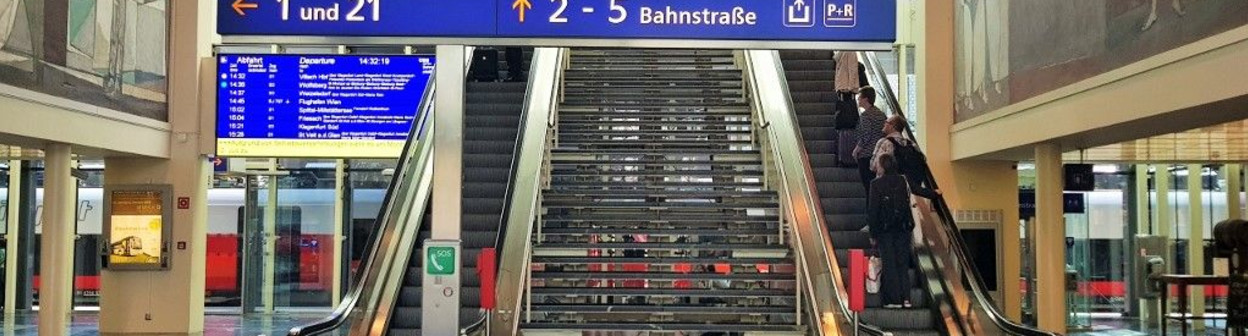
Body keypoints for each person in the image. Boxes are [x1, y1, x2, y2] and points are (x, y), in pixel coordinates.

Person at [866, 153, 914, 309]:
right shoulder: (903, 180)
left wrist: (873, 234)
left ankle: (893, 300)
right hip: (903, 228)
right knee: (902, 263)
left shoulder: (876, 184)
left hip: (885, 230)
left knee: (889, 263)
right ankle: (906, 298)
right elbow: (916, 191)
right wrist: (934, 193)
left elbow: (873, 211)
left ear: (882, 166)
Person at [870, 115, 941, 200]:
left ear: (893, 126)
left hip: (885, 188)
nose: (884, 123)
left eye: (886, 122)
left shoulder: (884, 142)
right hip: (903, 188)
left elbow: (874, 166)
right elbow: (922, 161)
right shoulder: (912, 144)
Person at [853, 86, 887, 193]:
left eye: (860, 97)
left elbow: (866, 136)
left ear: (865, 99)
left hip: (866, 155)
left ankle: (870, 209)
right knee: (876, 187)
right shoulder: (881, 114)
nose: (858, 99)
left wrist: (856, 150)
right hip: (878, 154)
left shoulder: (866, 116)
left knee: (868, 187)